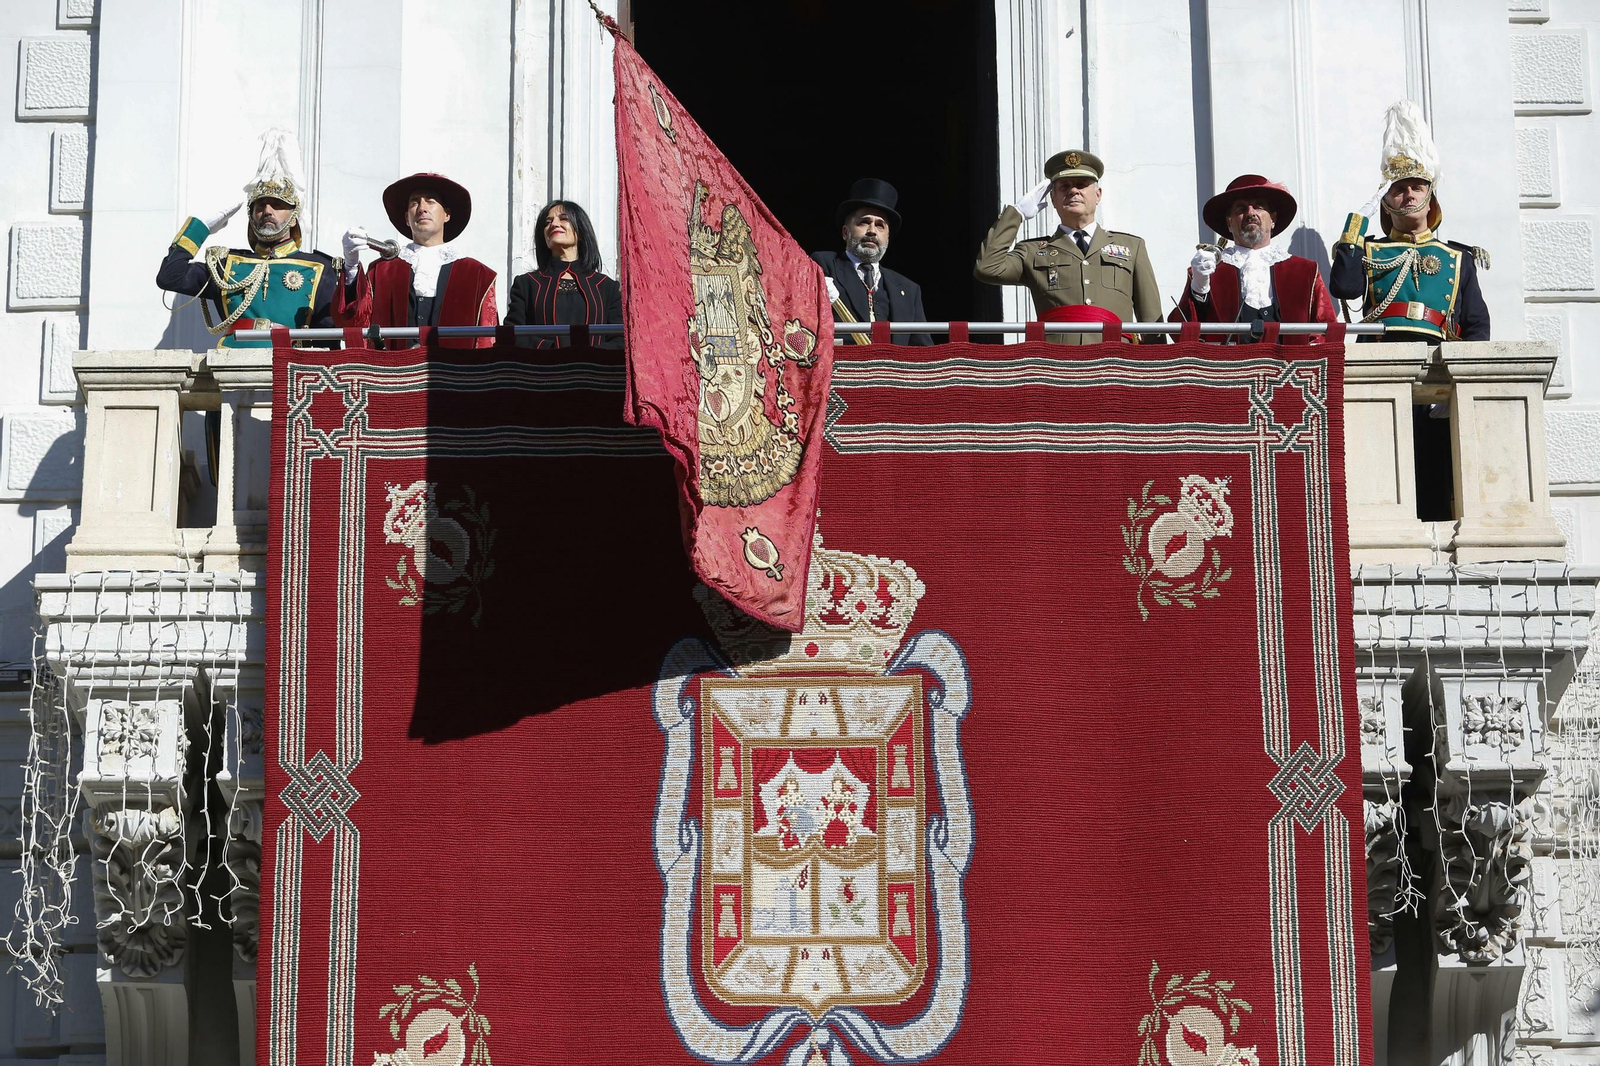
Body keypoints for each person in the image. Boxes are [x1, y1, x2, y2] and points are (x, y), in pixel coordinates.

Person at [156, 129, 338, 347]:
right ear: (251, 217)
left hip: (289, 360)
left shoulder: (320, 267)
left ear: (293, 219)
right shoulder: (224, 265)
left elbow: (328, 337)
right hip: (232, 359)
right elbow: (169, 277)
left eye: (277, 205)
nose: (268, 211)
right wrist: (200, 228)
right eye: (260, 206)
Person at [1330, 100, 1490, 342]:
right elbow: (1344, 288)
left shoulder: (1459, 257)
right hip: (1380, 352)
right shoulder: (1368, 251)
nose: (1409, 196)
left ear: (1430, 201)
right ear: (1385, 204)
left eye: (1417, 188)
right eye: (1399, 190)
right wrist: (1357, 223)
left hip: (1438, 352)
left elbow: (1476, 325)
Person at [974, 150, 1162, 344]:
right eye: (1064, 186)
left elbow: (1152, 321)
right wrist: (1016, 214)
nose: (1073, 191)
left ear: (1098, 195)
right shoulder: (1033, 251)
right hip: (1057, 360)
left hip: (1116, 357)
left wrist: (1160, 360)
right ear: (1053, 198)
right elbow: (987, 267)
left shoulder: (1131, 247)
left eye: (1081, 185)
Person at [336, 173, 498, 349]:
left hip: (454, 367)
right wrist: (351, 265)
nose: (422, 208)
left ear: (447, 215)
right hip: (393, 366)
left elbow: (487, 342)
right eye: (414, 202)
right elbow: (355, 322)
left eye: (430, 201)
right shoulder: (382, 271)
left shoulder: (478, 275)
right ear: (407, 218)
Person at [1173, 174, 1337, 344]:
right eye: (1241, 209)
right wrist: (1198, 289)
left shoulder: (1305, 271)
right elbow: (1183, 333)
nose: (1250, 213)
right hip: (1229, 361)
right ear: (1229, 223)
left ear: (1273, 219)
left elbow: (1326, 330)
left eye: (1258, 207)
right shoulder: (1207, 270)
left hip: (1289, 361)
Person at [811, 179, 932, 346]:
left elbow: (923, 350)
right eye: (864, 222)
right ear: (845, 232)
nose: (872, 231)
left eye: (880, 225)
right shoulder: (824, 265)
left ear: (887, 237)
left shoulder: (909, 289)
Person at [506, 200, 623, 349]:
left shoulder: (607, 287)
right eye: (547, 222)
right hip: (542, 363)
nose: (554, 224)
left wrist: (588, 355)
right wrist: (551, 350)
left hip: (593, 364)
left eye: (564, 218)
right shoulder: (526, 284)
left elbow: (620, 340)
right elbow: (513, 334)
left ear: (581, 231)